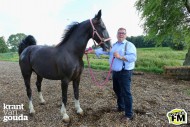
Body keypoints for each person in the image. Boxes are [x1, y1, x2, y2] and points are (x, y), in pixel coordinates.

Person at [86, 27, 137, 122]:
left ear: (125, 35)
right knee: (117, 89)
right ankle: (121, 107)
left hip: (125, 72)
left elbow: (133, 57)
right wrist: (91, 51)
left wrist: (120, 57)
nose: (121, 34)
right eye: (119, 33)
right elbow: (104, 51)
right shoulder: (114, 45)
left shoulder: (129, 45)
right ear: (117, 35)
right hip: (115, 72)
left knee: (126, 93)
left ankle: (129, 114)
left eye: (123, 33)